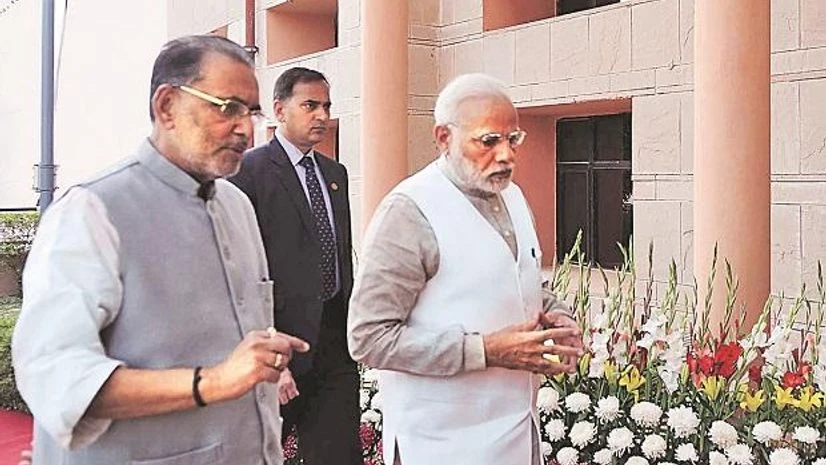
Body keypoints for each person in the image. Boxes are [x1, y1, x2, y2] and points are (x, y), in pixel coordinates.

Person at [11, 35, 309, 465]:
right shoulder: (93, 211)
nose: (246, 128)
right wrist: (212, 382)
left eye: (251, 111)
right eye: (227, 108)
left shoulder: (237, 206)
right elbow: (56, 377)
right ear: (166, 106)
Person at [347, 73, 585, 465]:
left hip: (516, 435)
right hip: (440, 444)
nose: (506, 154)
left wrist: (558, 316)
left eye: (514, 139)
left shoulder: (513, 195)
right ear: (444, 138)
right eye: (489, 141)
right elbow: (368, 338)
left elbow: (514, 280)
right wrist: (483, 351)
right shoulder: (409, 211)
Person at [229, 67, 360, 465]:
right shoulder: (248, 173)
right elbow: (243, 272)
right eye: (310, 105)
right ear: (279, 110)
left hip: (335, 349)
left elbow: (341, 258)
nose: (321, 115)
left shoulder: (335, 174)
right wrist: (268, 351)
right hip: (278, 349)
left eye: (326, 106)